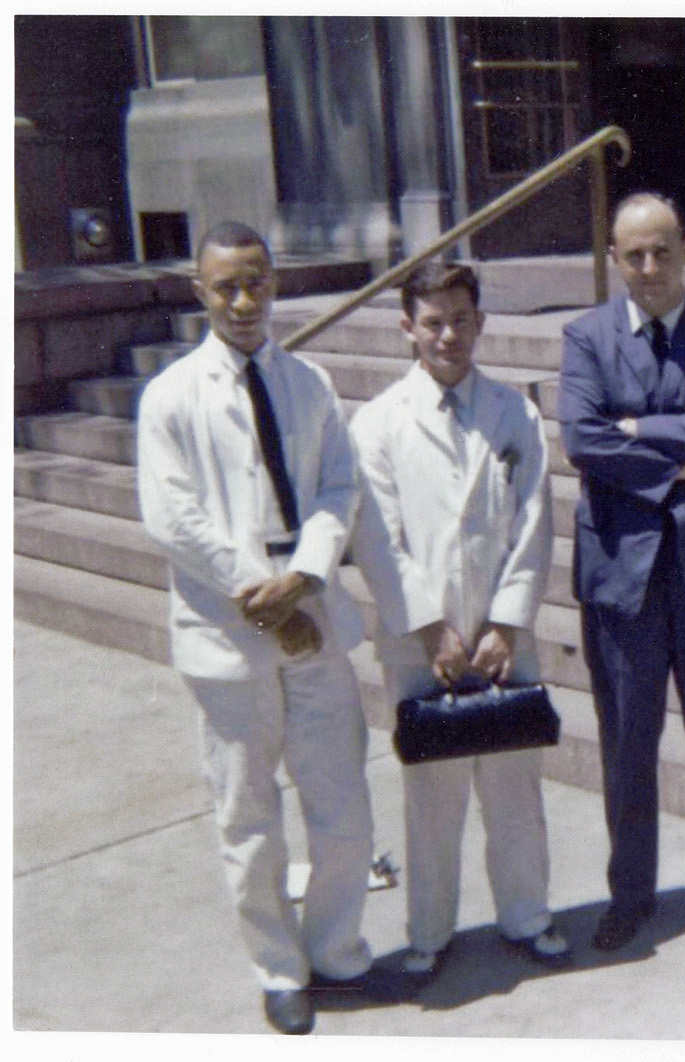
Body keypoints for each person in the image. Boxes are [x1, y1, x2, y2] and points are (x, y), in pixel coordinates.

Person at [136, 222, 376, 1035]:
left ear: (276, 284)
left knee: (340, 798)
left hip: (309, 600)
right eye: (226, 286)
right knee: (248, 813)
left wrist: (305, 575)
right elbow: (173, 515)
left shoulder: (309, 382)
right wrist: (258, 591)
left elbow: (339, 487)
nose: (244, 301)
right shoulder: (170, 396)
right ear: (200, 292)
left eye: (257, 282)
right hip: (225, 624)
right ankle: (279, 968)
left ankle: (337, 947)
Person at [558, 192, 685, 950]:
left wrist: (637, 431)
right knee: (627, 742)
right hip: (622, 573)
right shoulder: (584, 336)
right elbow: (581, 435)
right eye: (633, 254)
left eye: (662, 251)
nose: (649, 268)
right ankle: (630, 894)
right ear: (614, 259)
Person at [350, 261, 567, 980]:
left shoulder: (515, 414)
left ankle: (527, 916)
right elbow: (380, 538)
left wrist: (506, 621)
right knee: (432, 793)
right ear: (408, 328)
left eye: (461, 320)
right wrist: (427, 627)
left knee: (514, 786)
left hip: (503, 633)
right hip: (422, 640)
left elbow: (535, 520)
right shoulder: (377, 422)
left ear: (481, 323)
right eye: (433, 322)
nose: (449, 335)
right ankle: (430, 930)